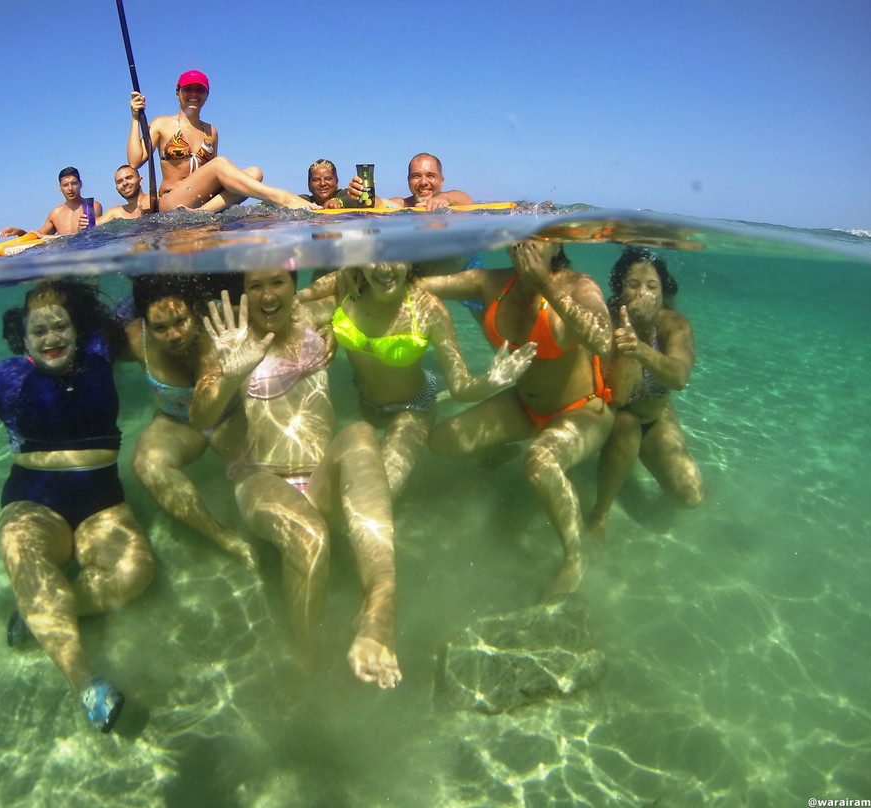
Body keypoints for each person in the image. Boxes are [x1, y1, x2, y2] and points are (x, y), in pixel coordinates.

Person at [0, 280, 154, 733]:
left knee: (136, 572)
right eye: (39, 331)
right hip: (32, 502)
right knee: (28, 554)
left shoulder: (98, 350)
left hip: (101, 502)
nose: (52, 338)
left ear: (78, 329)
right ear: (24, 336)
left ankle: (39, 609)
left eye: (60, 326)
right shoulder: (7, 378)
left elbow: (137, 296)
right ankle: (85, 682)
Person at [189, 271, 402, 688]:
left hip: (322, 478)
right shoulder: (229, 338)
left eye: (278, 283)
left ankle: (381, 607)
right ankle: (305, 657)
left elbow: (358, 279)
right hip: (263, 479)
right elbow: (199, 415)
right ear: (244, 294)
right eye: (255, 287)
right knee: (310, 535)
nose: (268, 295)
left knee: (359, 433)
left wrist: (335, 333)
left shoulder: (313, 316)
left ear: (293, 285)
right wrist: (231, 376)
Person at [421, 239, 614, 597]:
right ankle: (500, 450)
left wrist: (545, 284)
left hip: (582, 409)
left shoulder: (578, 285)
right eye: (520, 238)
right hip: (523, 405)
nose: (527, 245)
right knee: (443, 441)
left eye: (539, 239)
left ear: (557, 247)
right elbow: (414, 288)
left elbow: (603, 341)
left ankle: (575, 555)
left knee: (540, 462)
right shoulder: (490, 281)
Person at [303, 262, 535, 497]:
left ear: (410, 259)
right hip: (365, 402)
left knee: (378, 493)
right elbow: (294, 309)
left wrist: (490, 381)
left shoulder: (429, 310)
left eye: (396, 256)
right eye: (376, 256)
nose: (385, 268)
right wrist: (327, 325)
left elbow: (461, 388)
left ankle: (489, 450)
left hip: (413, 406)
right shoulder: (346, 288)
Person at [124, 273, 257, 568]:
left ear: (194, 310)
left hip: (232, 416)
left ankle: (262, 524)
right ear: (145, 324)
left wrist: (321, 328)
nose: (173, 335)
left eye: (180, 321)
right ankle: (222, 538)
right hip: (179, 423)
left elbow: (286, 309)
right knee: (147, 464)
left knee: (263, 463)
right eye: (160, 328)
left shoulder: (223, 318)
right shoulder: (136, 340)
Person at [586, 248, 703, 539]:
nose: (642, 294)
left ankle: (641, 466)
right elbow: (620, 399)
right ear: (619, 288)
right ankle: (601, 512)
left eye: (652, 287)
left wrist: (640, 348)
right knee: (626, 425)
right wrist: (634, 329)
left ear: (664, 292)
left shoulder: (675, 324)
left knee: (690, 496)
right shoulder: (607, 320)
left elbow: (679, 377)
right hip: (612, 415)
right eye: (633, 285)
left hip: (655, 414)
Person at [127, 70, 313, 211]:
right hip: (172, 200)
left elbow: (213, 177)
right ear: (178, 93)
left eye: (200, 89)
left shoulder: (211, 131)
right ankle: (283, 198)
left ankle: (203, 213)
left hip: (202, 201)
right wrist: (135, 118)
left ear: (207, 95)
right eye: (188, 89)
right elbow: (134, 161)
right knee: (219, 164)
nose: (194, 93)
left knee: (255, 172)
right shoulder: (162, 123)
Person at [0, 167, 101, 238]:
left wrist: (48, 237)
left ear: (80, 184)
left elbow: (89, 237)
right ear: (60, 188)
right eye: (65, 185)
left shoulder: (91, 206)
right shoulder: (55, 213)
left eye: (74, 183)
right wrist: (19, 232)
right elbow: (38, 238)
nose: (70, 188)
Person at [346, 153, 473, 210]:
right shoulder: (403, 205)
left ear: (442, 181)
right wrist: (361, 192)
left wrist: (443, 198)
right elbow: (381, 204)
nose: (423, 182)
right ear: (408, 180)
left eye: (430, 175)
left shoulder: (451, 201)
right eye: (416, 176)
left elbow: (466, 200)